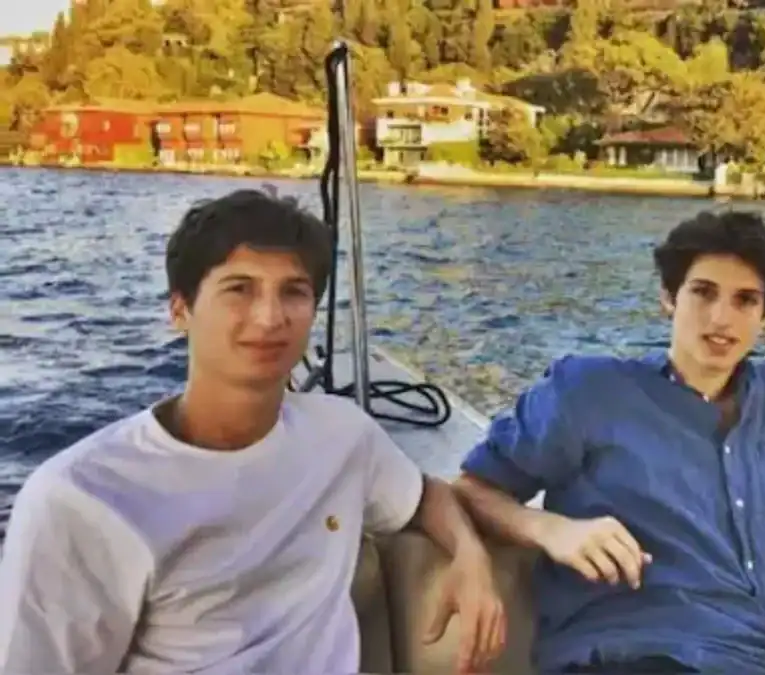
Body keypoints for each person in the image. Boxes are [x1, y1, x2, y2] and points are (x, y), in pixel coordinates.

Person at [0, 189, 505, 674]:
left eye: (294, 292)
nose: (269, 317)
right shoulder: (81, 501)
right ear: (181, 310)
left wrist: (471, 556)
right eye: (239, 289)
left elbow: (422, 498)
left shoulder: (340, 435)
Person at [453, 210, 765, 673]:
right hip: (627, 651)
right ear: (668, 299)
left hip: (754, 655)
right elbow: (473, 488)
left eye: (745, 300)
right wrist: (552, 530)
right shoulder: (588, 392)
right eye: (703, 292)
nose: (721, 318)